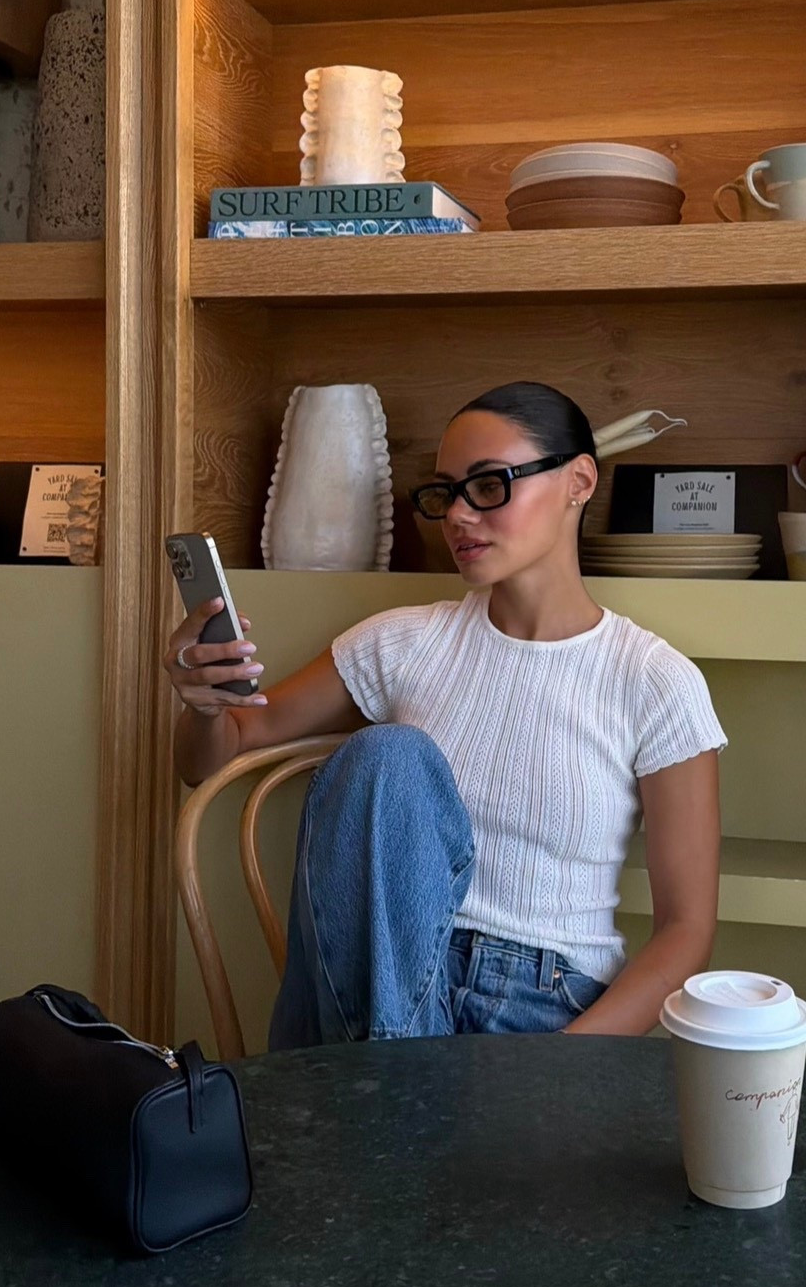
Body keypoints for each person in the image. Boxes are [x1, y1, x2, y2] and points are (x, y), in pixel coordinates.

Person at [167, 381, 726, 1047]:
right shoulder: (401, 643)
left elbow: (687, 931)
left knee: (380, 1114)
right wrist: (203, 706)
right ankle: (388, 1107)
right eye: (444, 493)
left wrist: (561, 1062)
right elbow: (216, 755)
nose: (458, 515)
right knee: (388, 756)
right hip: (384, 982)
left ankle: (368, 1116)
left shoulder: (654, 681)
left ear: (578, 481)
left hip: (542, 1015)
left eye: (489, 485)